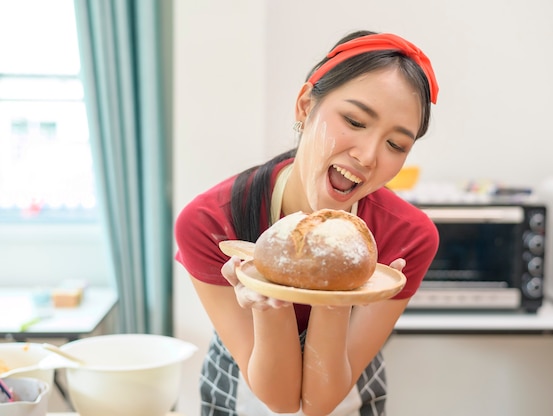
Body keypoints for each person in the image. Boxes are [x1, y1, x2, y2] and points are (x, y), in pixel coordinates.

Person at [175, 29, 440, 416]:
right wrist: (267, 301)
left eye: (396, 145)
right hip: (237, 398)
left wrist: (343, 292)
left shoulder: (408, 237)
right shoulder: (210, 223)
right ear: (304, 106)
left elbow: (319, 403)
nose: (368, 156)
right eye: (354, 120)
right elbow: (281, 400)